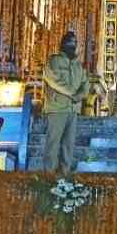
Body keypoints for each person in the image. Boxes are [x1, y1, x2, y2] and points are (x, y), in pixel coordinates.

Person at [41, 31, 89, 174]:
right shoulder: (54, 61)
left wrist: (80, 96)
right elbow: (54, 80)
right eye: (69, 42)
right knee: (53, 144)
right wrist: (72, 93)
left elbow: (85, 84)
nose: (72, 45)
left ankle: (65, 174)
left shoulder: (78, 66)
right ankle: (49, 176)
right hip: (56, 109)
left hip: (73, 110)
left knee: (69, 145)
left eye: (74, 43)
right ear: (62, 44)